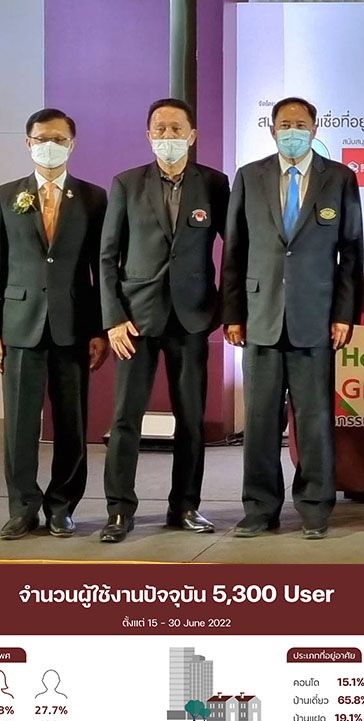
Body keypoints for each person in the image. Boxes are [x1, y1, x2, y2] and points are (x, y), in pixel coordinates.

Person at [221, 96, 363, 538]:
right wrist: (234, 313)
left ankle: (315, 508)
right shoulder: (250, 176)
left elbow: (351, 253)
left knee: (315, 420)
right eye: (285, 124)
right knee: (260, 422)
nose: (292, 131)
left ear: (315, 130)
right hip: (260, 316)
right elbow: (234, 250)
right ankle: (259, 509)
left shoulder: (339, 178)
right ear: (272, 130)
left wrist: (343, 314)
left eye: (301, 124)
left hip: (315, 319)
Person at [98, 98, 229, 543]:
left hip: (192, 318)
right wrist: (114, 318)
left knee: (191, 419)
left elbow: (236, 249)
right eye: (160, 129)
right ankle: (120, 511)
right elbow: (107, 256)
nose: (168, 136)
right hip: (135, 321)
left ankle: (185, 506)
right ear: (148, 135)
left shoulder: (214, 183)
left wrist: (222, 309)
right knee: (125, 419)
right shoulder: (126, 183)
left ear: (192, 135)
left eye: (176, 128)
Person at [0, 108, 108, 540]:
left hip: (73, 326)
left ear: (72, 144)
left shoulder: (93, 198)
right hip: (19, 326)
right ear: (28, 143)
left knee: (71, 423)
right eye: (41, 139)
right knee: (19, 424)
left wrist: (100, 329)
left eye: (58, 139)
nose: (49, 146)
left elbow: (101, 269)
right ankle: (22, 507)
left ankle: (62, 506)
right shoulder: (6, 195)